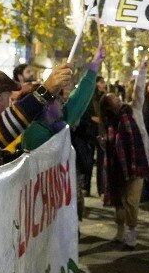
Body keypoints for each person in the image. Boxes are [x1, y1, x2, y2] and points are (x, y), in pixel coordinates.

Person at [22, 43, 105, 221]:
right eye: (56, 99)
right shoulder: (34, 133)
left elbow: (80, 98)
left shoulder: (58, 121)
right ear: (43, 106)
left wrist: (94, 66)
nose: (62, 102)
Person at [98, 91, 149, 248]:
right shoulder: (108, 123)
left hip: (135, 165)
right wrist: (104, 143)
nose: (117, 99)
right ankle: (120, 231)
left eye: (116, 96)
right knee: (119, 202)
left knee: (132, 201)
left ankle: (131, 232)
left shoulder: (131, 113)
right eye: (112, 99)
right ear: (107, 107)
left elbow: (139, 92)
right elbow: (109, 146)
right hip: (117, 167)